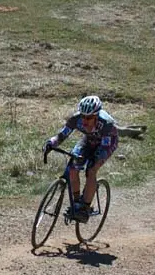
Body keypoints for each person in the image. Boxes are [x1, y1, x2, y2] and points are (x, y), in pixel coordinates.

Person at [44, 95, 118, 223]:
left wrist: (94, 161)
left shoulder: (107, 125)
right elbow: (62, 135)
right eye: (83, 116)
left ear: (97, 115)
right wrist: (51, 143)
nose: (85, 120)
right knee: (73, 166)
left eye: (89, 118)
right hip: (88, 140)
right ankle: (77, 203)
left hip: (106, 143)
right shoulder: (75, 119)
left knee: (91, 170)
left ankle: (84, 208)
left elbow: (103, 149)